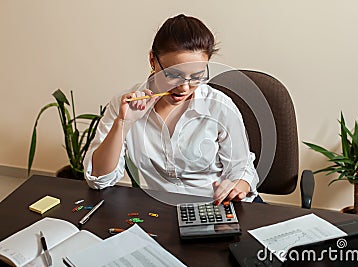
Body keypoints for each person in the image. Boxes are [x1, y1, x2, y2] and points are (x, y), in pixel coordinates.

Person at [83, 14, 261, 204]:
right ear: (153, 60)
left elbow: (242, 168)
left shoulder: (220, 106)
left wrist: (237, 187)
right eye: (173, 75)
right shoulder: (125, 104)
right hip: (164, 210)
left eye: (197, 76)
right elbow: (99, 180)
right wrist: (123, 124)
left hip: (217, 206)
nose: (184, 87)